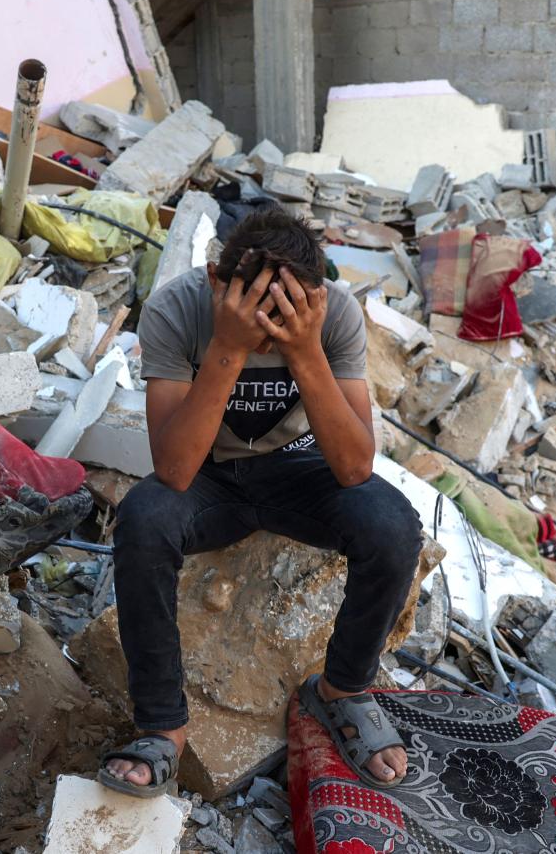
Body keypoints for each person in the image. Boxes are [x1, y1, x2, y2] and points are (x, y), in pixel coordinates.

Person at [100, 209, 423, 798]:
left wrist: (304, 351)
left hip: (302, 470)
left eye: (289, 307)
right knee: (144, 519)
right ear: (213, 279)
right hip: (209, 476)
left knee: (393, 524)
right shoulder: (178, 309)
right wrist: (228, 345)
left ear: (315, 296)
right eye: (252, 302)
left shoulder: (336, 314)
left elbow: (354, 466)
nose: (270, 322)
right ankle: (163, 727)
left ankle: (343, 691)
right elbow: (172, 469)